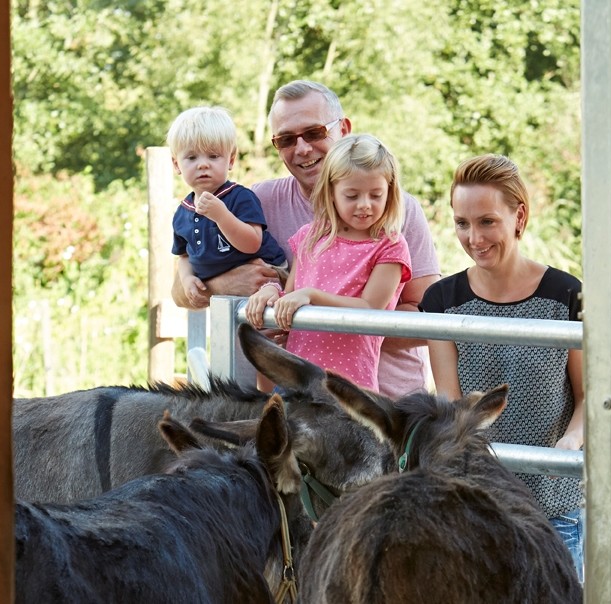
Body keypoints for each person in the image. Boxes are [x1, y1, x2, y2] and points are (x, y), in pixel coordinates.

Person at [172, 81, 440, 397]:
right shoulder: (255, 204)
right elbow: (180, 291)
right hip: (294, 398)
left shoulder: (396, 214)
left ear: (344, 129)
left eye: (314, 133)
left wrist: (307, 321)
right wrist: (227, 289)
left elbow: (427, 317)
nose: (301, 149)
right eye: (286, 139)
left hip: (384, 402)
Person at [418, 153, 585, 582]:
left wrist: (573, 439)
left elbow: (588, 397)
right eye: (462, 223)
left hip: (555, 510)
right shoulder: (441, 302)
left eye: (487, 221)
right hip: (478, 510)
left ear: (519, 217)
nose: (473, 238)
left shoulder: (566, 295)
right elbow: (452, 409)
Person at [244, 134, 412, 392]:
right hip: (295, 381)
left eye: (376, 195)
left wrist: (312, 296)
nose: (365, 205)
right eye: (352, 195)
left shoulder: (390, 245)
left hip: (349, 389)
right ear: (331, 192)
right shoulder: (310, 236)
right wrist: (271, 291)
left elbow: (370, 309)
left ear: (390, 193)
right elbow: (291, 296)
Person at [167, 106, 287, 308]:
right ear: (177, 164)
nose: (203, 165)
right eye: (192, 157)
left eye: (213, 156)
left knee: (266, 297)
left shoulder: (240, 197)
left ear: (230, 160)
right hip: (229, 290)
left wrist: (221, 216)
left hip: (267, 270)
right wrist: (187, 279)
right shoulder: (182, 212)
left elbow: (252, 243)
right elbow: (184, 255)